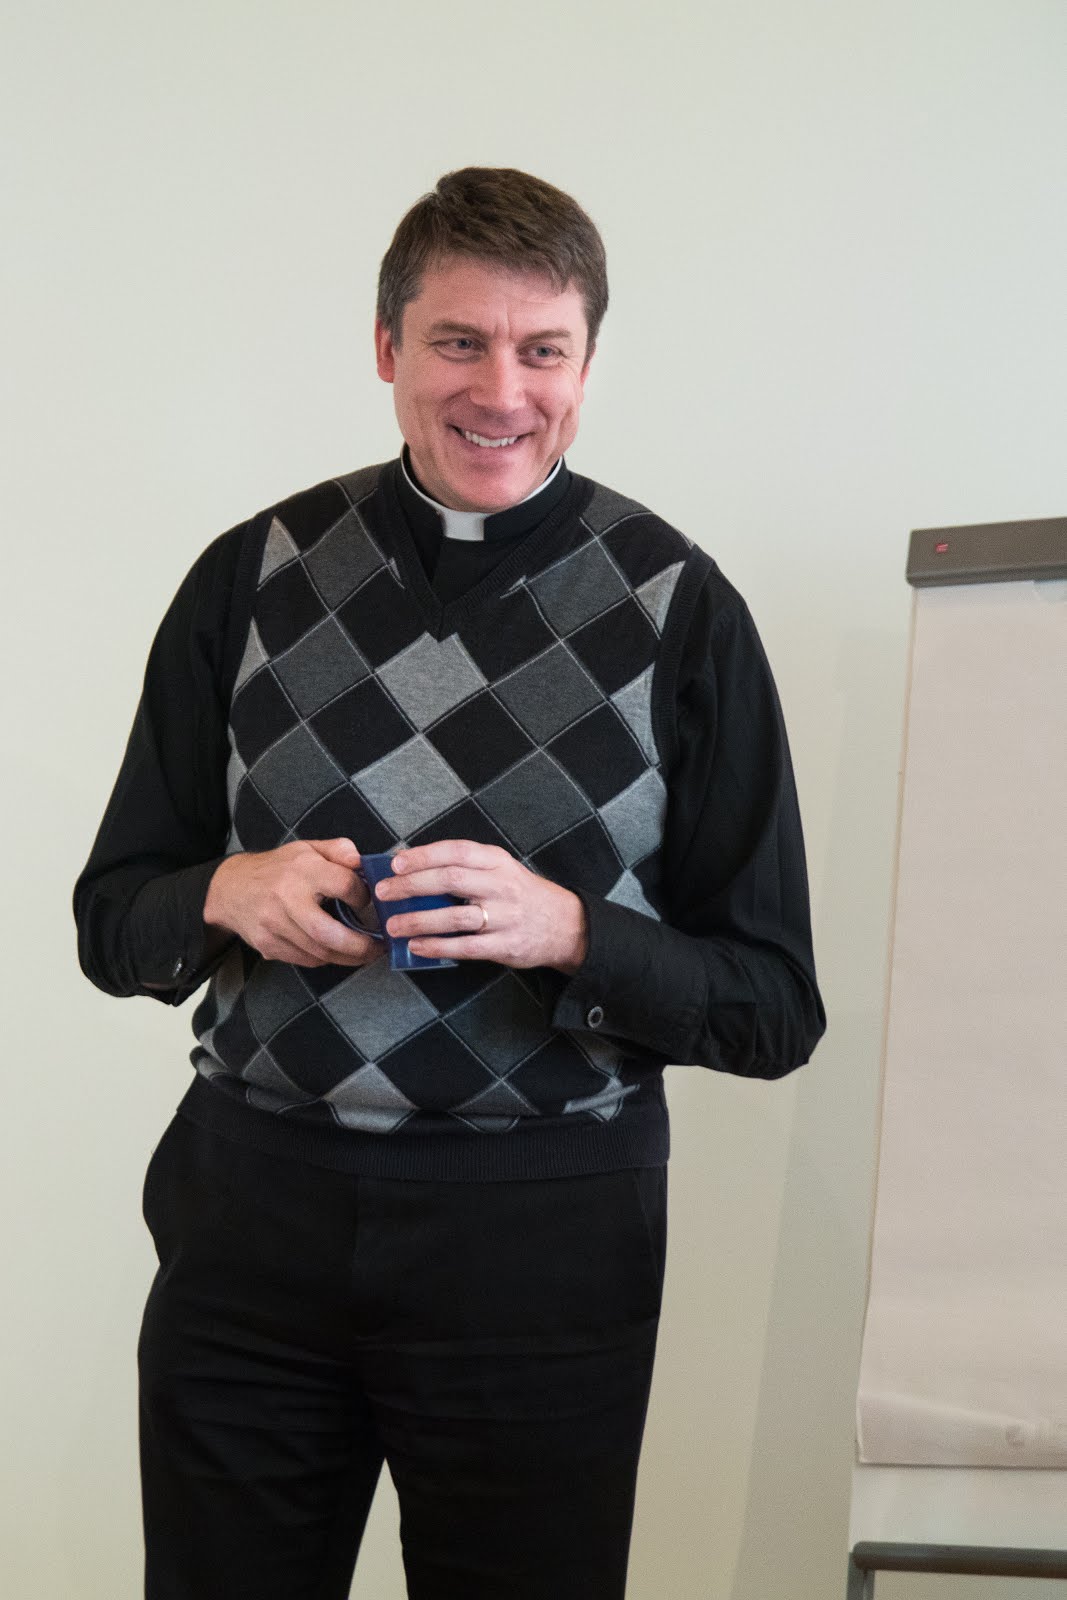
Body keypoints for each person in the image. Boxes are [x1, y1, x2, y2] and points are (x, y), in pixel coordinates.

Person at [74, 166, 825, 1600]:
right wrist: (224, 892)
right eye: (459, 342)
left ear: (587, 366)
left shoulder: (681, 609)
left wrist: (572, 932)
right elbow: (113, 918)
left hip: (542, 1244)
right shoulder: (250, 577)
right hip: (253, 1221)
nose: (502, 391)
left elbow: (774, 1006)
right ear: (386, 347)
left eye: (544, 350)